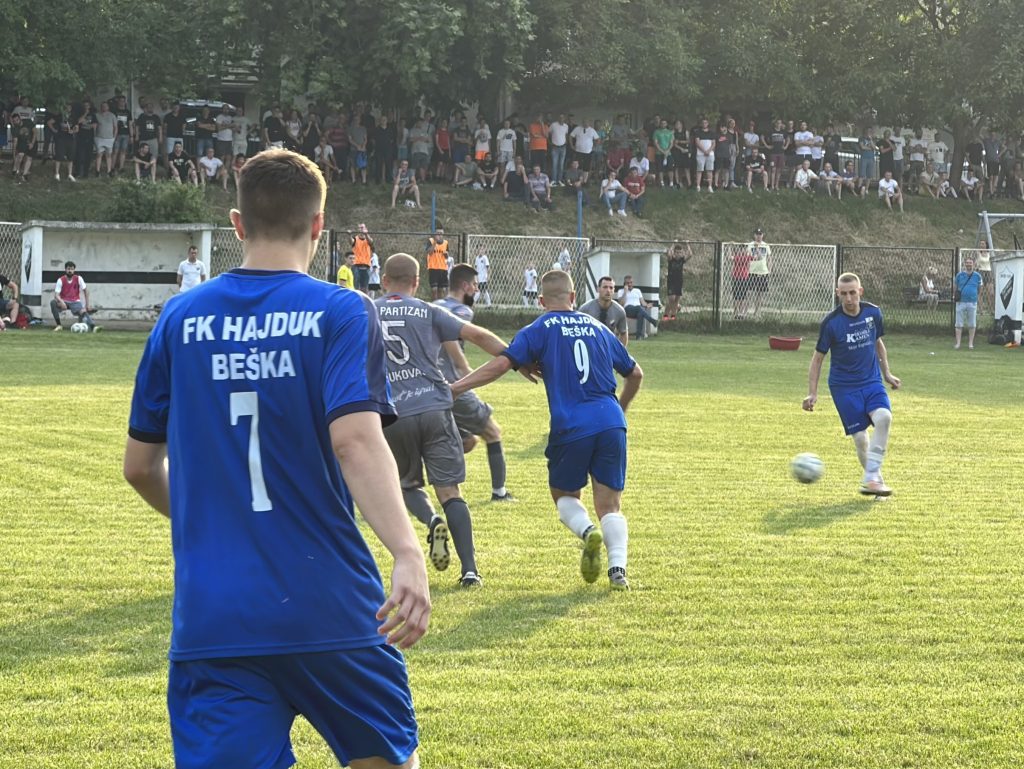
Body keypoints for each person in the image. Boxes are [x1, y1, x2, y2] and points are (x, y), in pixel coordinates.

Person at [123, 149, 429, 769]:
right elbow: (356, 439)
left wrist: (212, 523)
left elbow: (138, 466)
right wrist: (405, 549)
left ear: (237, 223)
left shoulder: (179, 318)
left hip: (216, 613)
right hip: (332, 602)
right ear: (319, 226)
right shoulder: (342, 310)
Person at [450, 270, 644, 590]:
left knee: (565, 496)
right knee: (610, 504)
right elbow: (635, 374)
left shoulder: (539, 328)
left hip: (572, 425)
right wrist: (618, 411)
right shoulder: (598, 327)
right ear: (572, 298)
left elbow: (501, 363)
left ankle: (587, 532)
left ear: (541, 301)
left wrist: (457, 388)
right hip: (610, 422)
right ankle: (617, 569)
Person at [376, 253, 518, 587]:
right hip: (436, 406)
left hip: (395, 413)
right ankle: (470, 570)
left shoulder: (367, 311)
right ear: (415, 282)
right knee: (450, 490)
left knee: (407, 484)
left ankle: (431, 520)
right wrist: (518, 358)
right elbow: (479, 336)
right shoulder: (428, 310)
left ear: (383, 281)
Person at [802, 272, 901, 497]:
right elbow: (818, 358)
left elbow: (878, 343)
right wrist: (812, 393)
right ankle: (876, 481)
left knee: (884, 418)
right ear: (838, 294)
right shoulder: (831, 323)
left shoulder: (873, 313)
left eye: (852, 293)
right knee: (860, 438)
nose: (848, 298)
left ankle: (871, 479)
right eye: (844, 294)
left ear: (860, 292)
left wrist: (887, 373)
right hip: (844, 387)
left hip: (872, 381)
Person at [436, 264, 514, 501]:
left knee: (468, 441)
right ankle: (499, 493)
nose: (477, 291)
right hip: (453, 383)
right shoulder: (461, 311)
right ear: (465, 286)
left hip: (430, 382)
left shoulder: (436, 305)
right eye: (476, 286)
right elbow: (449, 339)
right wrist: (466, 373)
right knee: (493, 431)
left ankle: (428, 453)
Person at [579, 276, 628, 345]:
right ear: (598, 289)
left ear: (614, 290)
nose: (608, 290)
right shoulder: (585, 309)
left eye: (611, 288)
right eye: (605, 287)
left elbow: (623, 333)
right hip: (590, 347)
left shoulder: (619, 311)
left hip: (609, 347)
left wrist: (619, 352)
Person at [50, 261, 96, 331]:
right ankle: (59, 325)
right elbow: (56, 294)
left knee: (82, 311)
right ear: (65, 270)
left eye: (71, 269)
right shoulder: (60, 280)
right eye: (68, 269)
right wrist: (61, 302)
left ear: (74, 270)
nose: (70, 271)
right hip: (64, 301)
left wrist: (87, 305)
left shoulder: (78, 278)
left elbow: (86, 290)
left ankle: (93, 326)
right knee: (53, 303)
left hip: (75, 301)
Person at [616, 275, 658, 340]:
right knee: (640, 309)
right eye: (628, 283)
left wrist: (647, 305)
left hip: (638, 309)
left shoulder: (637, 290)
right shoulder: (621, 291)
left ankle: (638, 336)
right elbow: (621, 304)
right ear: (624, 283)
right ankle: (652, 320)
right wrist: (625, 292)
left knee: (640, 313)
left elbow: (643, 302)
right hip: (627, 309)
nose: (630, 284)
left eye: (631, 282)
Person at [953, 257, 983, 350]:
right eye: (967, 263)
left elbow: (980, 287)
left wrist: (976, 295)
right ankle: (958, 343)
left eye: (970, 263)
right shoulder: (959, 275)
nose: (969, 264)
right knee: (958, 323)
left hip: (972, 301)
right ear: (964, 264)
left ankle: (970, 344)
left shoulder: (977, 276)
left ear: (973, 264)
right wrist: (956, 295)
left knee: (972, 324)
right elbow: (955, 286)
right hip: (961, 301)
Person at [746, 228, 772, 318]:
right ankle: (746, 312)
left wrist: (769, 270)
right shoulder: (750, 245)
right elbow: (747, 258)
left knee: (760, 294)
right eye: (757, 234)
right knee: (749, 293)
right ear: (754, 235)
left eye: (760, 234)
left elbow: (769, 258)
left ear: (762, 235)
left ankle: (757, 312)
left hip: (763, 272)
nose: (758, 236)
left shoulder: (766, 245)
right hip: (752, 272)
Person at [664, 242, 691, 321]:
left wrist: (687, 244)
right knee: (671, 299)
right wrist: (673, 244)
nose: (678, 254)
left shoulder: (682, 260)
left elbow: (690, 255)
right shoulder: (671, 259)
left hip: (679, 281)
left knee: (676, 300)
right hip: (671, 281)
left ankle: (672, 316)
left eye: (680, 252)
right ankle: (666, 314)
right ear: (674, 253)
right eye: (677, 252)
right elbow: (669, 254)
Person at [425, 228, 450, 300]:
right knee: (434, 290)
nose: (439, 235)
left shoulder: (446, 243)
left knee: (442, 290)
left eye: (441, 233)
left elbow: (447, 257)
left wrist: (446, 254)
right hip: (433, 268)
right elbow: (429, 252)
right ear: (435, 234)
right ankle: (434, 306)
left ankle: (441, 306)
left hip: (443, 268)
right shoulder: (431, 241)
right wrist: (435, 242)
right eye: (438, 233)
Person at [350, 224, 375, 293]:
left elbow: (371, 242)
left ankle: (364, 300)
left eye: (362, 228)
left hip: (366, 265)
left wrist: (366, 234)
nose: (361, 229)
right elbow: (351, 242)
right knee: (356, 285)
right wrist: (349, 235)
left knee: (365, 287)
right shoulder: (355, 238)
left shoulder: (368, 239)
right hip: (356, 264)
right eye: (359, 228)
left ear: (365, 228)